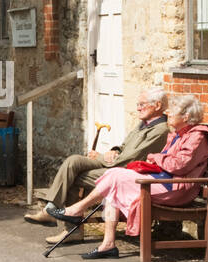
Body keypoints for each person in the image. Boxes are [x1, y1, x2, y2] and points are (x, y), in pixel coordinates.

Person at [46, 93, 208, 260]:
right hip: (164, 181)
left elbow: (178, 165)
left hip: (176, 188)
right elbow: (169, 162)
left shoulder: (197, 136)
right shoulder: (179, 134)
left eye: (173, 110)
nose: (169, 113)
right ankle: (108, 244)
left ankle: (76, 210)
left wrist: (155, 157)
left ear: (186, 117)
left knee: (115, 177)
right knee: (113, 182)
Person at [24, 89, 170, 242]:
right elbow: (124, 146)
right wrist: (114, 150)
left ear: (158, 105)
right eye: (138, 104)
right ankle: (51, 209)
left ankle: (71, 231)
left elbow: (131, 158)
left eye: (142, 104)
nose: (138, 108)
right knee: (74, 161)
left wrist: (100, 156)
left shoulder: (160, 130)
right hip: (113, 162)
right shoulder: (143, 123)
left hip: (124, 171)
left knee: (75, 177)